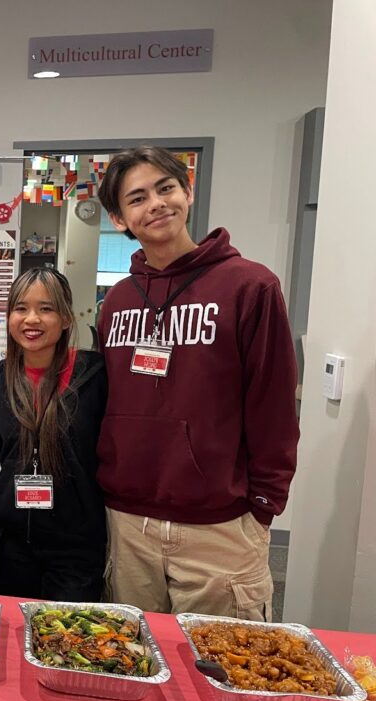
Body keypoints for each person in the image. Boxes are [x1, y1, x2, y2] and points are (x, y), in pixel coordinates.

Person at [96, 146, 298, 619]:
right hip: (128, 522)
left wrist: (264, 504)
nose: (156, 204)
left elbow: (273, 403)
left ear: (188, 193)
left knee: (221, 672)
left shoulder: (249, 286)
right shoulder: (119, 300)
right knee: (131, 661)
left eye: (166, 189)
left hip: (219, 524)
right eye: (138, 198)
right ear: (120, 218)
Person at [0, 268, 107, 600]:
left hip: (75, 546)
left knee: (66, 642)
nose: (32, 319)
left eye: (46, 308)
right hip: (12, 543)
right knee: (12, 635)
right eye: (21, 308)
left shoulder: (94, 375)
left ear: (67, 317)